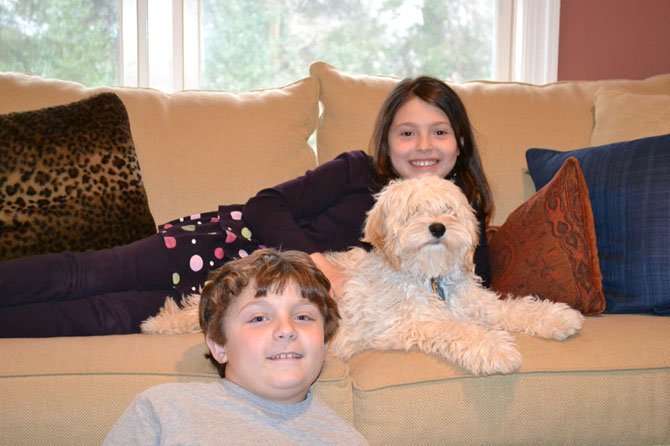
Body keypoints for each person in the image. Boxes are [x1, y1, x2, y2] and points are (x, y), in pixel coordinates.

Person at [0, 75, 493, 337]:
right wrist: (316, 264)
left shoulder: (459, 218)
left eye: (439, 131)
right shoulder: (356, 171)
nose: (423, 146)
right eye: (407, 133)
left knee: (104, 318)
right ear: (387, 141)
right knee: (84, 275)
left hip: (232, 300)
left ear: (460, 142)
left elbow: (473, 285)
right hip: (214, 247)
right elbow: (265, 207)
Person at [103, 248, 368, 445]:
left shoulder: (348, 441)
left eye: (303, 317)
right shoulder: (165, 409)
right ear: (219, 345)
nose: (286, 330)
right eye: (259, 318)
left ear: (324, 343)